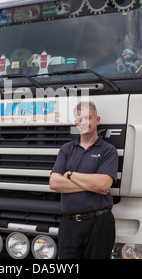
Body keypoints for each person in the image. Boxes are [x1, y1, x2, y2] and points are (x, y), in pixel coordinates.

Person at [49, 101, 118, 259]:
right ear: (76, 123)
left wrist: (70, 175)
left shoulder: (108, 150)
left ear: (97, 120)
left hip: (99, 223)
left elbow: (103, 185)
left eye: (88, 118)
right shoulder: (66, 149)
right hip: (69, 224)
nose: (84, 122)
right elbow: (54, 183)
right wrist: (90, 184)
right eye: (79, 119)